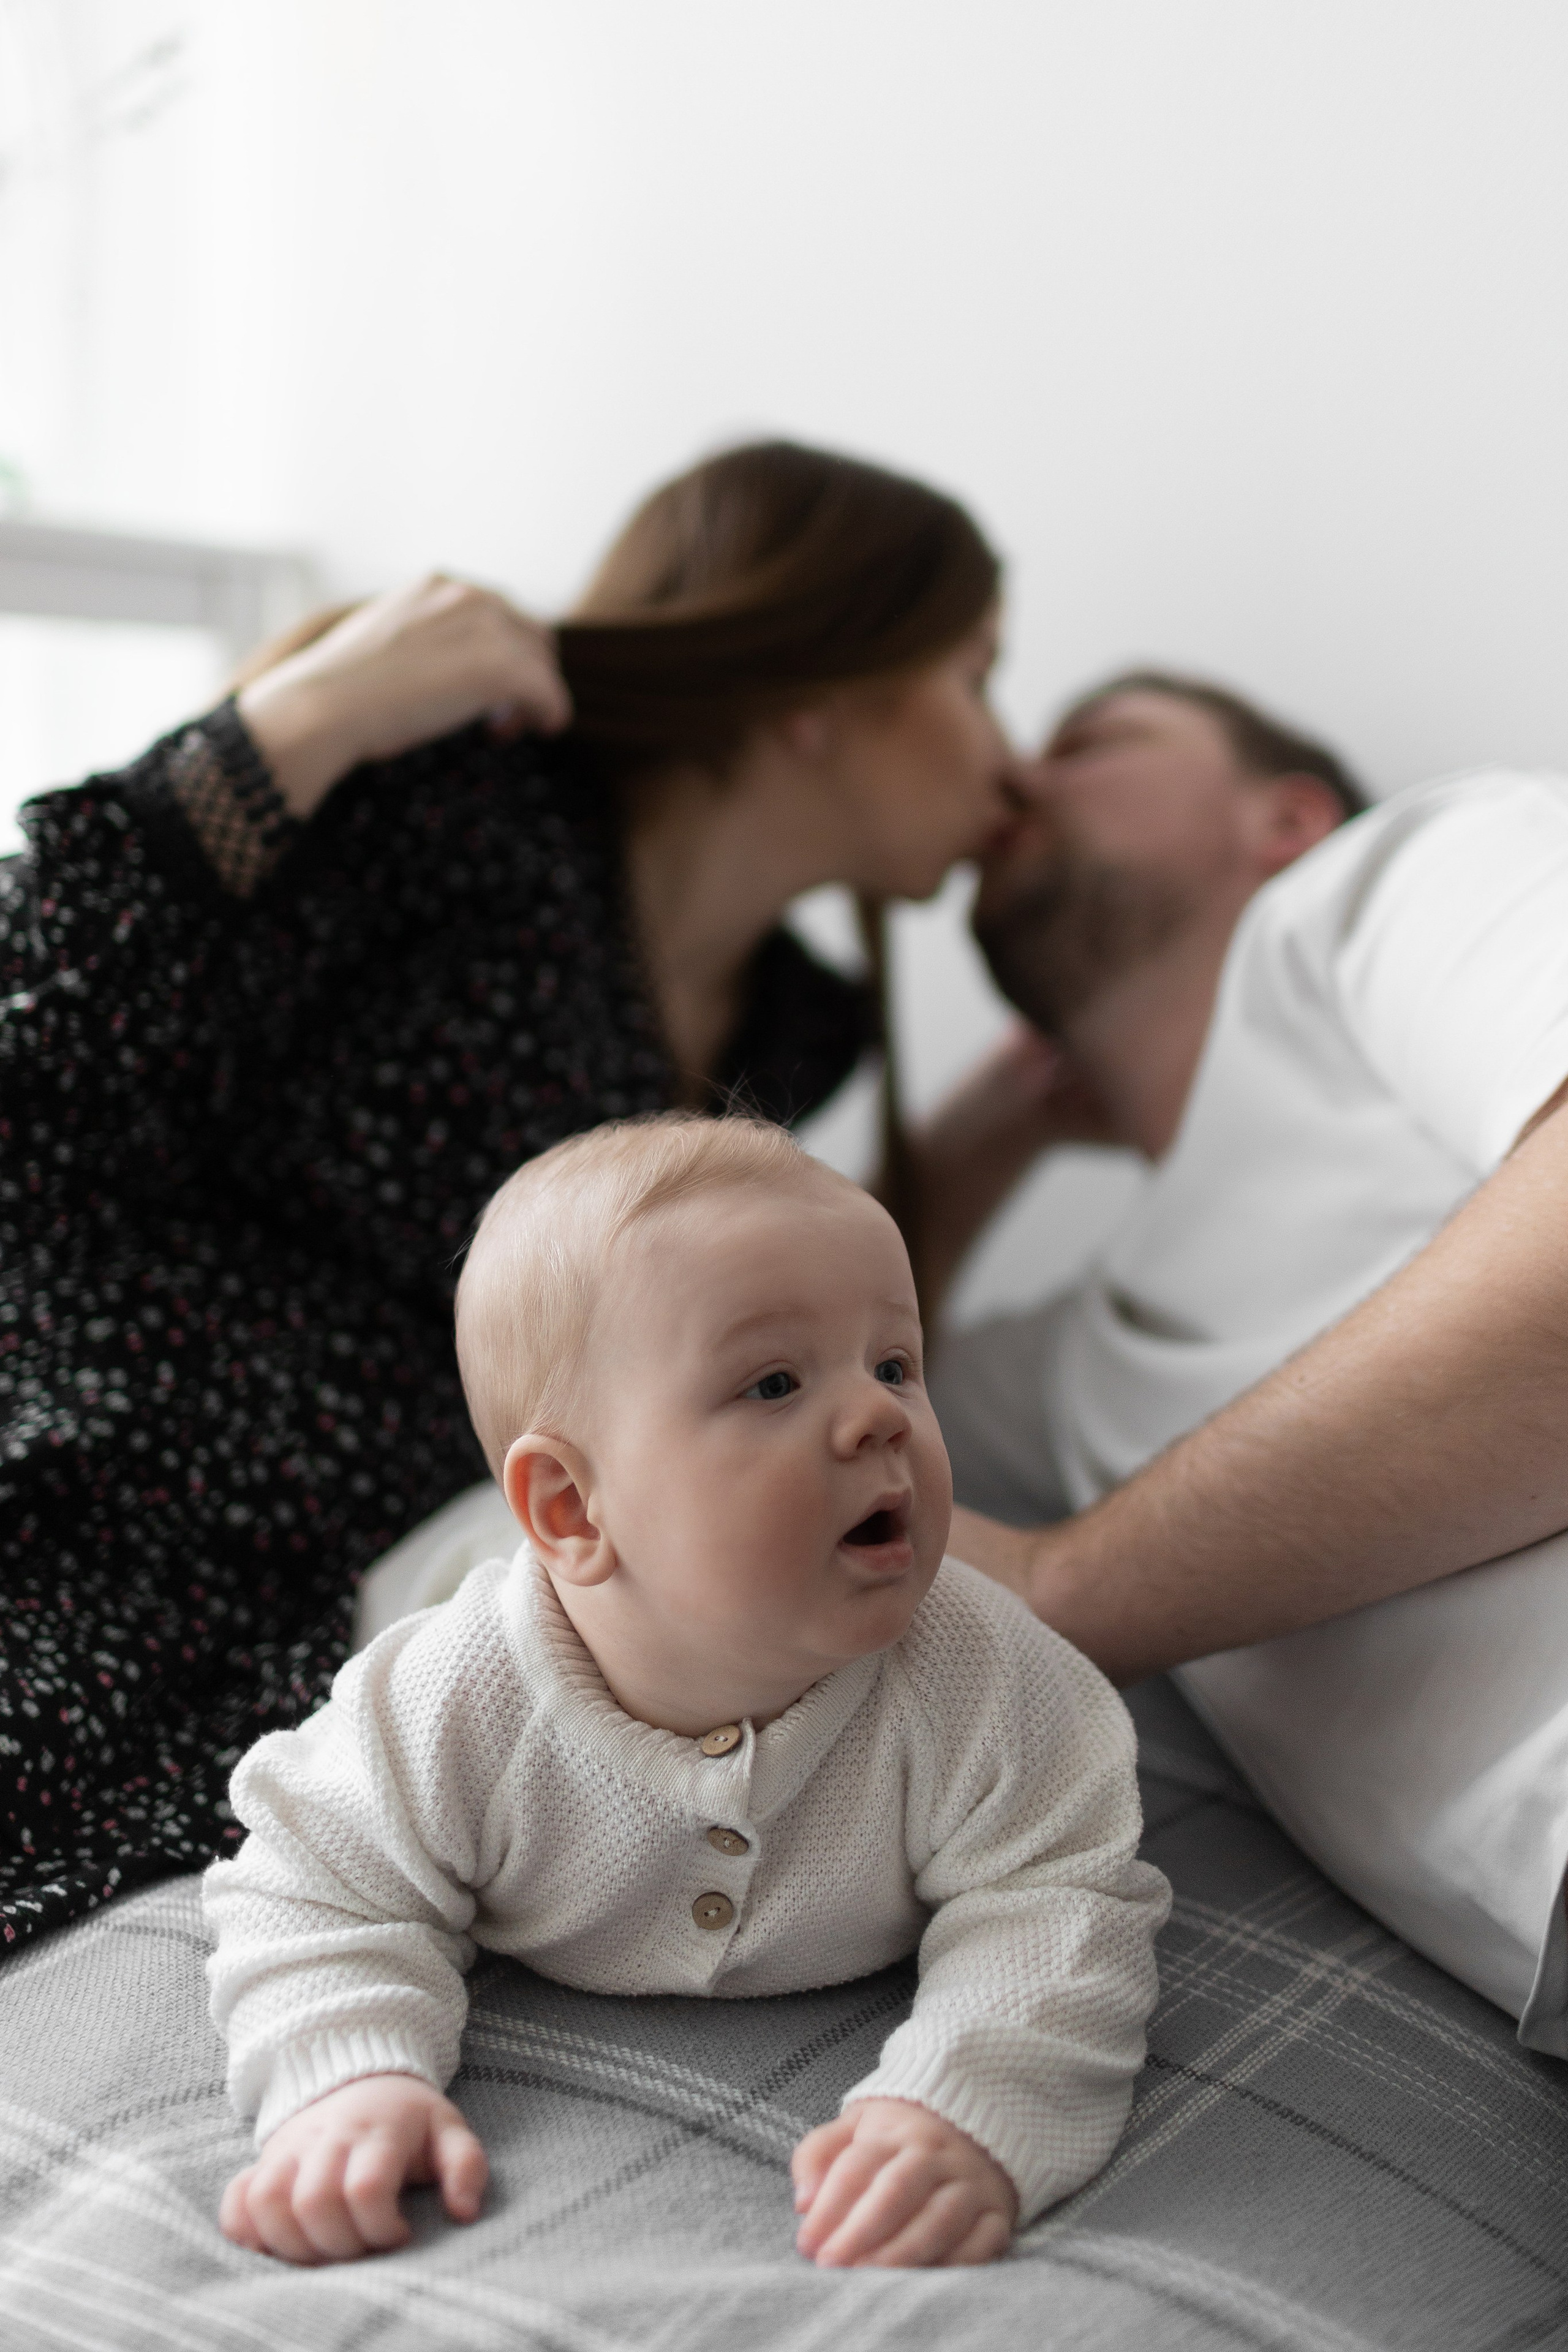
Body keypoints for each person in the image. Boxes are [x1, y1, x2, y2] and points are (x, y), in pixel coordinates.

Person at [0, 440, 1019, 1955]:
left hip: (351, 1617)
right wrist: (312, 715)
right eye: (976, 676)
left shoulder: (795, 1025)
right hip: (97, 1503)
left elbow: (804, 1348)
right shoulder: (461, 811)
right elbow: (40, 1061)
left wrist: (1005, 1127)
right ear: (820, 688)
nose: (1007, 761)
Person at [205, 1114, 1169, 2269]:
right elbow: (317, 1889)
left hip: (590, 1561)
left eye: (895, 1364)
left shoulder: (984, 1680)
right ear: (570, 1505)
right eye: (773, 1382)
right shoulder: (452, 1699)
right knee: (415, 1585)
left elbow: (1061, 1901)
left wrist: (967, 2105)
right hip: (451, 1565)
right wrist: (345, 2081)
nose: (878, 1417)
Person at [919, 670, 1568, 2038]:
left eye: (1087, 741)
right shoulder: (1075, 1366)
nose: (1012, 777)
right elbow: (787, 1382)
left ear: (1283, 815)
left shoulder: (1387, 882)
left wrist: (1071, 1589)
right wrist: (989, 1131)